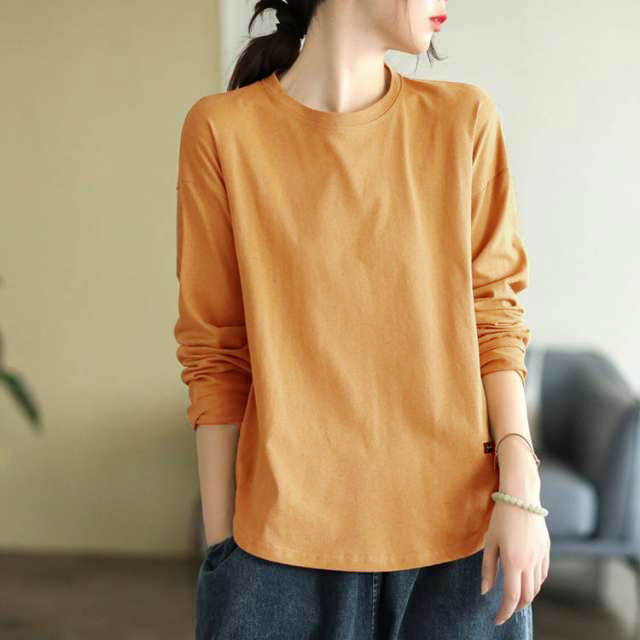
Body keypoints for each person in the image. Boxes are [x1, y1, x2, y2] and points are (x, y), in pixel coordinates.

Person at [173, 1, 551, 638]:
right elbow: (216, 353)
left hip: (465, 551)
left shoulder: (464, 120)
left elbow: (494, 318)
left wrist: (521, 487)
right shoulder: (222, 130)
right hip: (274, 563)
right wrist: (224, 554)